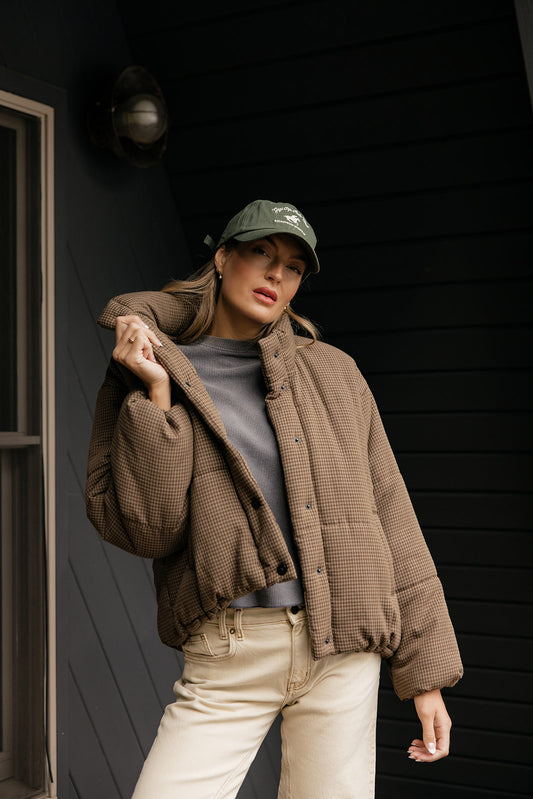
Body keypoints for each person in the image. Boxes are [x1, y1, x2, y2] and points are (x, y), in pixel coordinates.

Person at [86, 199, 463, 799]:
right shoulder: (157, 369)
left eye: (292, 267)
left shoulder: (336, 374)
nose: (275, 274)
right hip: (232, 649)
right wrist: (156, 396)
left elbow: (392, 516)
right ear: (222, 258)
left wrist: (427, 676)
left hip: (344, 652)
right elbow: (149, 530)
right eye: (261, 252)